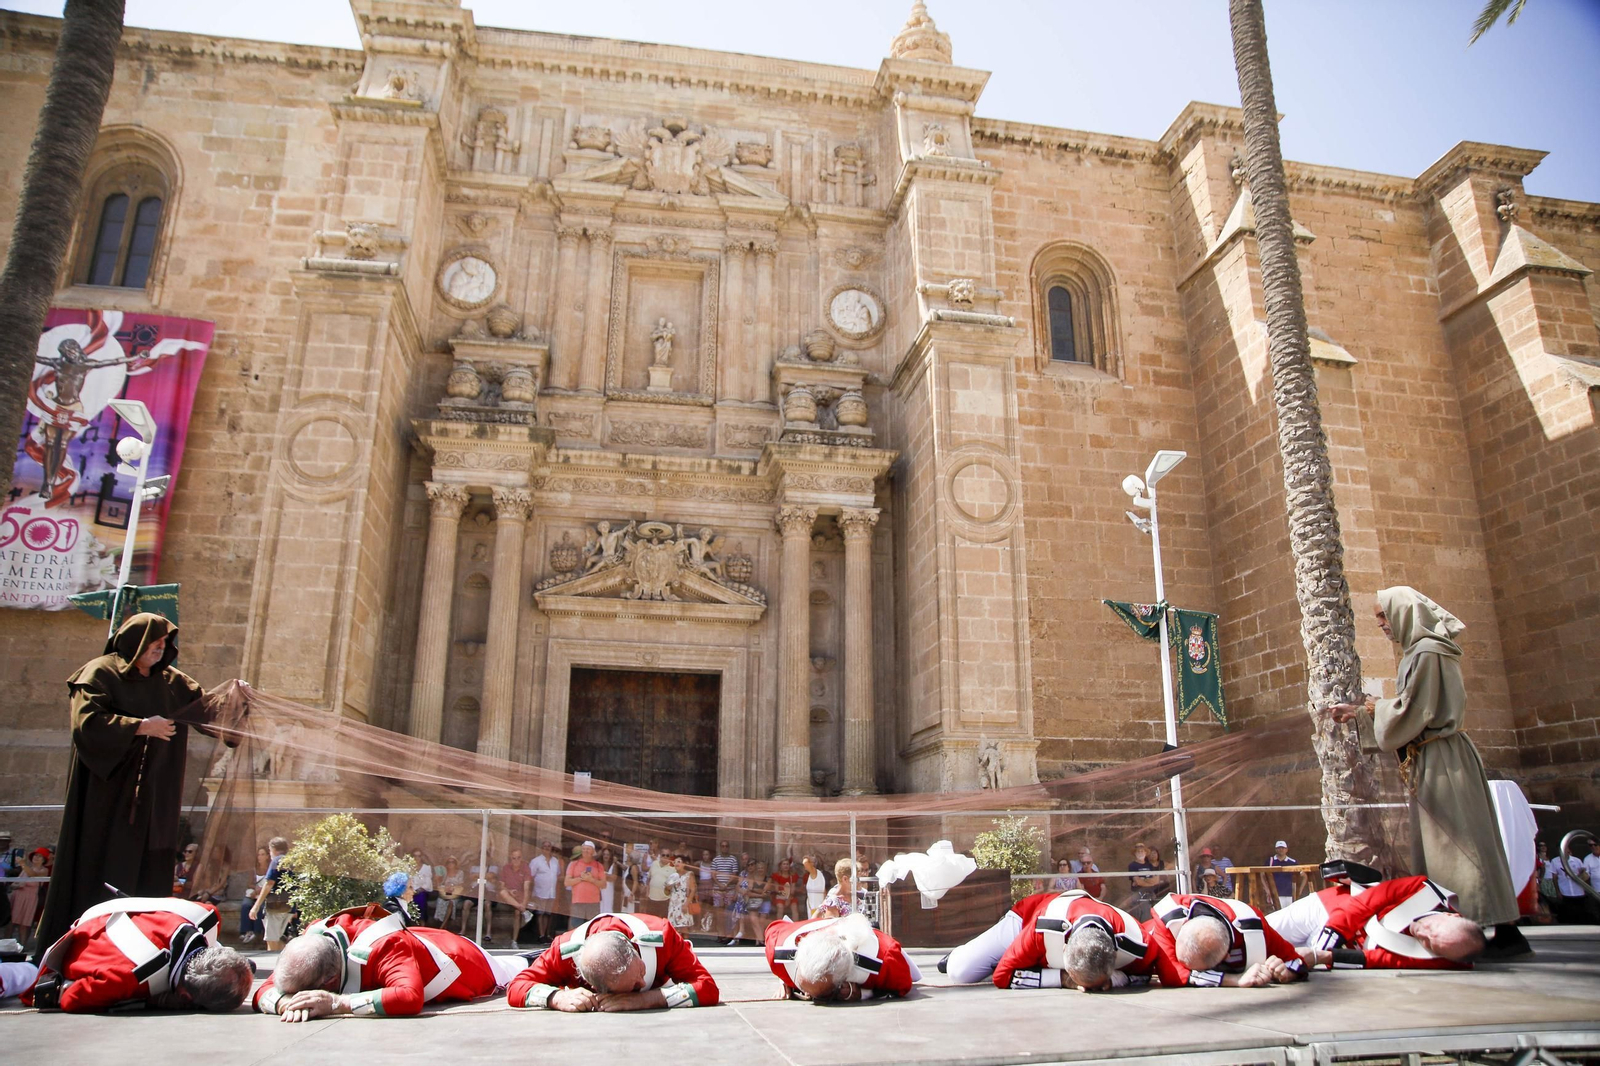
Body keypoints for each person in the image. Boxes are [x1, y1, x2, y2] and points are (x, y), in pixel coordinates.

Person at [32, 615, 249, 958]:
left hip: (155, 795)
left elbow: (206, 710)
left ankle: (144, 949)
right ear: (133, 642)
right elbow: (87, 722)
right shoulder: (100, 672)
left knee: (152, 865)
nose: (161, 649)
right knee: (100, 862)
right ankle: (88, 947)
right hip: (108, 794)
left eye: (164, 644)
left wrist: (238, 701)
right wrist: (141, 727)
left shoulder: (171, 681)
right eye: (154, 643)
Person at [1331, 586, 1526, 957]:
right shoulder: (1423, 652)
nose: (1381, 625)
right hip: (1437, 759)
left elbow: (1413, 712)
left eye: (1383, 616)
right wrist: (1365, 710)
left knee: (1458, 847)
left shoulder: (1426, 652)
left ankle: (1473, 926)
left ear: (1405, 613)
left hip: (1442, 763)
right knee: (1459, 846)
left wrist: (1367, 709)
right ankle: (1492, 927)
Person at [255, 903, 520, 1019]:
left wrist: (337, 1003)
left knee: (520, 966)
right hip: (418, 944)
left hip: (468, 962)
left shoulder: (386, 947)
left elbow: (408, 996)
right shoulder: (311, 941)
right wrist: (284, 1003)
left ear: (330, 981)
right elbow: (264, 991)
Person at [19, 896, 252, 1012]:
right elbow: (69, 999)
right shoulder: (126, 979)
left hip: (102, 912)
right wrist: (148, 999)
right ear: (185, 996)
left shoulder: (206, 916)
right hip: (69, 943)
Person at [944, 887, 1177, 991]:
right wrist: (1066, 979)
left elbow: (1144, 976)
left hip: (1054, 941)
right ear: (1065, 953)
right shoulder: (1040, 929)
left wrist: (1115, 980)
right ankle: (957, 953)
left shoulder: (1139, 945)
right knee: (960, 971)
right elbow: (1002, 976)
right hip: (1025, 920)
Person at [506, 910, 720, 1011]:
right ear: (591, 983)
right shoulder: (563, 951)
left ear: (635, 951)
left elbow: (708, 987)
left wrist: (649, 999)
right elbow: (517, 986)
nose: (643, 984)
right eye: (633, 988)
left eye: (641, 972)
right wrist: (556, 997)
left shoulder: (662, 935)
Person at [1273, 870, 1486, 971]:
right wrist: (1327, 941)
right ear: (1451, 915)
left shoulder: (1443, 959)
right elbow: (1363, 905)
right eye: (1433, 929)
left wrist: (1323, 957)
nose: (1423, 935)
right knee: (1252, 932)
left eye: (1430, 943)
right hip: (1328, 910)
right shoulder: (1422, 889)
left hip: (1342, 949)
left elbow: (1378, 959)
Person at [1143, 891, 1306, 987]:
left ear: (1226, 956)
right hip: (1142, 935)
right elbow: (1172, 974)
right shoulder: (1167, 920)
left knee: (1310, 955)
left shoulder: (1255, 928)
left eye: (1199, 969)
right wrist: (1234, 980)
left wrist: (1286, 972)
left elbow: (1297, 962)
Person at [766, 912, 920, 1001]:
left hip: (865, 936)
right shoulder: (778, 950)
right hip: (817, 925)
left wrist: (863, 993)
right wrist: (785, 979)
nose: (807, 996)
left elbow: (904, 985)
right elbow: (774, 926)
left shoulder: (884, 960)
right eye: (801, 986)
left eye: (820, 996)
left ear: (841, 981)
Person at [248, 836, 294, 951]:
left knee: (272, 939)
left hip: (276, 906)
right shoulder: (292, 861)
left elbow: (269, 883)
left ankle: (275, 965)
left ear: (273, 849)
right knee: (277, 939)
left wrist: (256, 906)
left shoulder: (276, 861)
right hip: (289, 906)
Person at [6, 848, 50, 948]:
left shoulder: (44, 870)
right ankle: (5, 945)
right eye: (35, 855)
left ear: (43, 859)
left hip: (30, 898)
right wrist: (16, 885)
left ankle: (22, 946)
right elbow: (15, 882)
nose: (36, 858)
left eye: (39, 856)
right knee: (11, 923)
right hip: (18, 897)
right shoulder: (25, 869)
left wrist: (22, 864)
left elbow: (33, 875)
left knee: (24, 925)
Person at [565, 841, 607, 924]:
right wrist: (581, 878)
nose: (585, 851)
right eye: (584, 849)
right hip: (578, 901)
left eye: (588, 849)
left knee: (592, 926)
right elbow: (567, 882)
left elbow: (603, 884)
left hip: (593, 902)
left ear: (593, 852)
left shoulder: (599, 866)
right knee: (576, 926)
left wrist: (591, 880)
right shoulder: (574, 864)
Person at [1551, 842, 1589, 924]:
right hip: (1565, 891)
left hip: (1578, 891)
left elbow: (1584, 875)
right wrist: (1557, 891)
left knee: (1580, 913)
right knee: (1568, 913)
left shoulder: (1576, 860)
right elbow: (1554, 878)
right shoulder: (1555, 861)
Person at [529, 842, 560, 940]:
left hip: (551, 892)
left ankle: (547, 934)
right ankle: (541, 935)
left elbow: (557, 874)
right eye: (545, 847)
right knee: (540, 913)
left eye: (549, 846)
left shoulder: (555, 861)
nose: (547, 848)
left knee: (547, 913)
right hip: (540, 891)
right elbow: (530, 876)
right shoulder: (536, 861)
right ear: (541, 849)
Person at [239, 845, 270, 944]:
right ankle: (246, 931)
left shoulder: (270, 869)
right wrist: (255, 889)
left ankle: (257, 932)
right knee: (245, 905)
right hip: (253, 893)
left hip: (264, 894)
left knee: (260, 907)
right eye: (258, 855)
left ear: (267, 856)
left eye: (262, 854)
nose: (260, 857)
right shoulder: (254, 869)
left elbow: (270, 883)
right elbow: (249, 883)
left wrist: (260, 890)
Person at [1125, 843, 1161, 921]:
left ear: (1145, 853)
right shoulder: (1132, 865)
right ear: (1135, 854)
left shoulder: (1149, 865)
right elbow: (1137, 881)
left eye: (1142, 851)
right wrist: (1148, 881)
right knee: (1139, 915)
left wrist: (1143, 880)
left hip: (1150, 894)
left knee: (1151, 913)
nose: (1140, 853)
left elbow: (1156, 880)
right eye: (1138, 852)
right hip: (1138, 894)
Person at [712, 842, 740, 932]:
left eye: (726, 846)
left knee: (729, 913)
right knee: (719, 913)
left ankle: (728, 934)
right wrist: (720, 884)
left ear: (729, 847)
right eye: (723, 846)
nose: (725, 848)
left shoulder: (733, 859)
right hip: (718, 889)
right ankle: (720, 933)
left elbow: (734, 874)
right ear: (720, 847)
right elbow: (713, 874)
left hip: (730, 889)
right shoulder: (715, 860)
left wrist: (726, 884)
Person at [1266, 841, 1298, 909]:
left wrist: (1299, 890)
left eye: (1283, 848)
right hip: (1275, 893)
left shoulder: (1292, 862)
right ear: (1276, 849)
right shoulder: (1270, 861)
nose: (1281, 849)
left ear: (1286, 849)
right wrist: (1267, 889)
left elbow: (1303, 875)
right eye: (1279, 848)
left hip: (1290, 894)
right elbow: (1262, 874)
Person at [645, 849, 675, 921]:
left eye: (667, 855)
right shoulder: (654, 863)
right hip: (652, 898)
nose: (665, 857)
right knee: (651, 920)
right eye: (663, 855)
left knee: (662, 921)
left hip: (664, 900)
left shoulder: (673, 869)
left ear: (669, 857)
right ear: (660, 856)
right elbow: (648, 879)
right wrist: (647, 892)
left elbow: (672, 886)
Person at [409, 848, 434, 927]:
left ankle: (422, 923)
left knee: (421, 898)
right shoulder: (408, 868)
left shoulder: (426, 868)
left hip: (422, 891)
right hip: (410, 891)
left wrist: (419, 889)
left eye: (419, 856)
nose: (417, 858)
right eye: (415, 856)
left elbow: (428, 883)